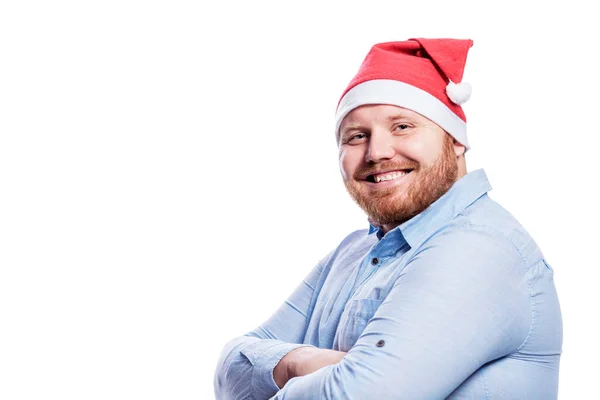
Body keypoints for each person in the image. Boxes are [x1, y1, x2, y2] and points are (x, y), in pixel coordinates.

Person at [213, 38, 563, 399]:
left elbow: (359, 396)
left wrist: (299, 375)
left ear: (456, 140)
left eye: (402, 127)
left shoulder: (483, 248)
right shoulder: (351, 252)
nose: (377, 153)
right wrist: (300, 362)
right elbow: (230, 370)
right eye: (357, 136)